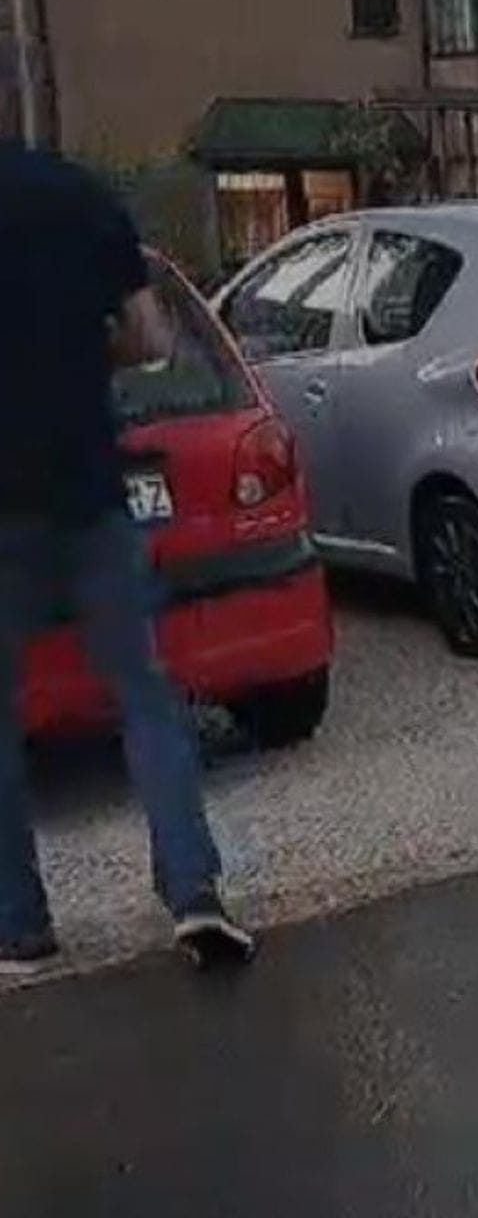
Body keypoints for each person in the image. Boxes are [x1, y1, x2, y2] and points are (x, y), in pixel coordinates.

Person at [0, 145, 255, 976]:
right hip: (89, 488)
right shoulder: (78, 195)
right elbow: (148, 338)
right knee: (144, 697)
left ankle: (19, 924)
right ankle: (193, 895)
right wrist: (81, 354)